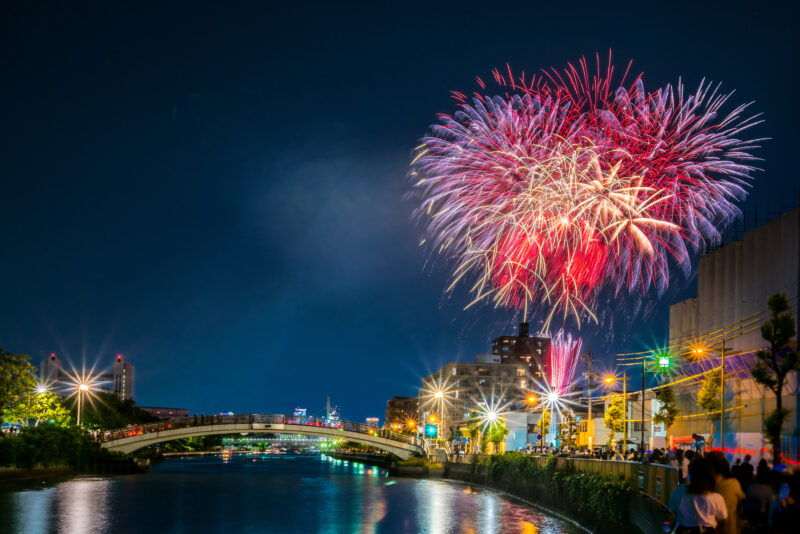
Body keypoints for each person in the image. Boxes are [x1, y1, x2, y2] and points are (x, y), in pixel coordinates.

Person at [671, 456, 727, 533]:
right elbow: (722, 520)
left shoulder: (679, 490)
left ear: (691, 473)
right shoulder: (717, 498)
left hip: (684, 530)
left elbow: (672, 511)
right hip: (707, 531)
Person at [709, 451, 745, 534]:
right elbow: (742, 497)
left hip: (713, 522)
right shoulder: (733, 483)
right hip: (730, 521)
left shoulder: (710, 483)